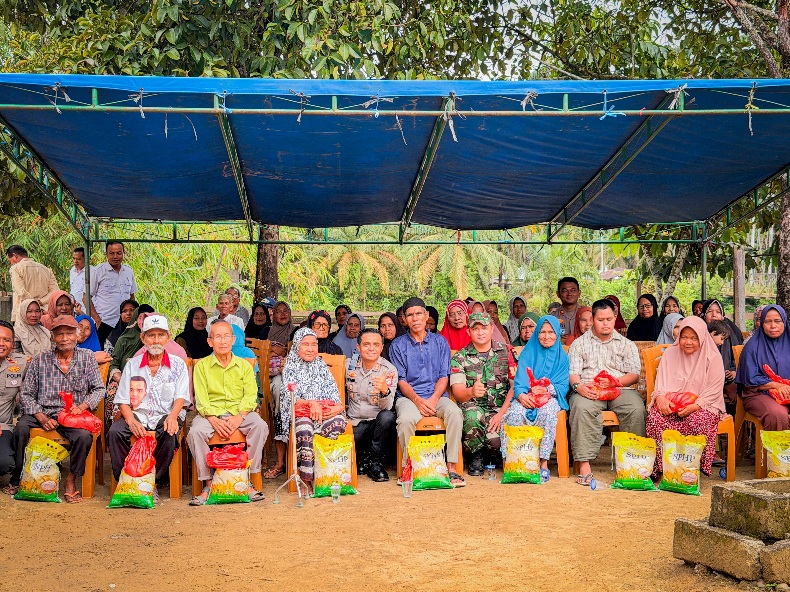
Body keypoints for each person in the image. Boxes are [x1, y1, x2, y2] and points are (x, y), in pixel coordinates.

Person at [5, 315, 106, 502]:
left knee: (84, 437)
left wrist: (83, 406)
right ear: (53, 337)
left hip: (71, 415)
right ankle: (18, 477)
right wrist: (42, 417)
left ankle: (70, 479)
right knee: (21, 429)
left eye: (69, 333)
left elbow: (99, 389)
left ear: (77, 335)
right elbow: (26, 394)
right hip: (43, 411)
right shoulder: (40, 360)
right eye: (60, 334)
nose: (65, 338)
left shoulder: (87, 359)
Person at [109, 315, 189, 503]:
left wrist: (172, 416)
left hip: (167, 413)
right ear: (142, 338)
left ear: (168, 337)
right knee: (115, 432)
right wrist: (130, 420)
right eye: (151, 335)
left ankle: (152, 481)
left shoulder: (178, 364)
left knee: (169, 432)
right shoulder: (132, 365)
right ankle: (126, 480)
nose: (156, 340)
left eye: (160, 335)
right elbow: (122, 400)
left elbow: (181, 397)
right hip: (138, 414)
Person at [187, 320, 267, 505]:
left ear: (233, 340)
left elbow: (251, 396)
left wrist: (240, 417)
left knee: (260, 426)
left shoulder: (245, 366)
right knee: (195, 432)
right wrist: (213, 420)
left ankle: (247, 480)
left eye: (226, 337)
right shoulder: (202, 366)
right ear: (210, 341)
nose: (222, 341)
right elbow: (201, 399)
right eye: (217, 337)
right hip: (211, 415)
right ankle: (208, 484)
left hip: (240, 414)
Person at [568, 299, 645, 486]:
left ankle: (633, 463)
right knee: (580, 406)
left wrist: (615, 381)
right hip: (590, 389)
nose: (605, 323)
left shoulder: (626, 344)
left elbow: (634, 375)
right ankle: (584, 465)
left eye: (609, 319)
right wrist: (579, 387)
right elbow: (573, 374)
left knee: (636, 409)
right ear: (592, 319)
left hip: (620, 388)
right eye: (601, 319)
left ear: (615, 317)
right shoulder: (579, 344)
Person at [390, 297, 464, 487]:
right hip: (409, 397)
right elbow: (401, 381)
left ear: (426, 315)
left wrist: (432, 399)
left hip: (436, 395)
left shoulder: (440, 342)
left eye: (418, 314)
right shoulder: (398, 345)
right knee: (406, 419)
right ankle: (410, 467)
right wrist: (417, 400)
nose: (415, 318)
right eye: (410, 315)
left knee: (455, 413)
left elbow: (443, 377)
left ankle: (452, 467)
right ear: (405, 319)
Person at [646, 316, 726, 478]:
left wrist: (695, 406)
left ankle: (691, 468)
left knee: (698, 420)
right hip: (672, 404)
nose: (688, 342)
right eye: (684, 337)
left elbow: (714, 390)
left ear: (702, 337)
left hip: (701, 405)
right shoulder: (670, 354)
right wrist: (661, 398)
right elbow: (660, 384)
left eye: (694, 338)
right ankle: (661, 468)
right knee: (655, 417)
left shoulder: (713, 357)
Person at [279, 327, 347, 492]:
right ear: (296, 346)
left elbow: (334, 394)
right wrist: (310, 403)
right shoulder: (291, 365)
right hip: (301, 412)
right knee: (304, 428)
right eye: (305, 344)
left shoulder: (321, 365)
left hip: (323, 413)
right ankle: (306, 478)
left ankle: (326, 473)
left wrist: (338, 407)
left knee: (338, 422)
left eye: (314, 344)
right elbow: (290, 396)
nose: (310, 349)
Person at [502, 315, 569, 481]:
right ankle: (515, 461)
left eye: (551, 332)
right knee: (515, 413)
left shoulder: (563, 357)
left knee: (547, 413)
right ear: (537, 334)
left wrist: (547, 389)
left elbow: (563, 385)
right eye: (542, 332)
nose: (546, 336)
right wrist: (522, 395)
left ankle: (543, 462)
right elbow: (520, 382)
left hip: (550, 398)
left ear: (557, 334)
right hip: (527, 396)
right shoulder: (527, 354)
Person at [450, 312, 516, 475]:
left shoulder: (506, 352)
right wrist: (471, 391)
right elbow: (458, 392)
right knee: (472, 416)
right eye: (475, 329)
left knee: (495, 442)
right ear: (468, 332)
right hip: (473, 408)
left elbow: (516, 386)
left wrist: (501, 414)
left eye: (484, 328)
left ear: (492, 328)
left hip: (500, 409)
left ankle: (492, 454)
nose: (480, 332)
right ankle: (475, 456)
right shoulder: (460, 357)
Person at [346, 328, 397, 482]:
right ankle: (363, 457)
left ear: (382, 348)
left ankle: (375, 462)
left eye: (376, 344)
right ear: (358, 347)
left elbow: (387, 407)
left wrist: (384, 390)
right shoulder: (348, 365)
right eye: (366, 344)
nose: (371, 348)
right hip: (355, 424)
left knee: (388, 417)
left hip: (377, 426)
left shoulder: (389, 370)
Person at [736, 304, 790, 431]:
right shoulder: (752, 346)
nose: (773, 326)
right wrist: (777, 386)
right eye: (767, 321)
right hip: (759, 394)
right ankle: (778, 451)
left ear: (784, 322)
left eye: (777, 321)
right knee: (777, 415)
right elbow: (750, 379)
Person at [89, 241, 138, 346]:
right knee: (104, 356)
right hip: (105, 323)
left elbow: (132, 296)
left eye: (119, 253)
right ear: (106, 254)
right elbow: (86, 297)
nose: (115, 256)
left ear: (124, 253)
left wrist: (135, 318)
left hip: (126, 324)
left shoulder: (129, 271)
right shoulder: (98, 271)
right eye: (111, 253)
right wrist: (97, 319)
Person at [702, 299, 743, 412]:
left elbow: (738, 358)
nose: (714, 314)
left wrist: (734, 371)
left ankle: (733, 424)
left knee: (739, 394)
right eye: (710, 311)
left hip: (728, 377)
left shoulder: (729, 332)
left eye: (718, 312)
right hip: (705, 379)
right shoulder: (699, 333)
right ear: (704, 314)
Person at [6, 245, 59, 324]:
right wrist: (40, 302)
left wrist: (33, 304)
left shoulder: (16, 268)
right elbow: (55, 291)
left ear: (15, 256)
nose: (11, 264)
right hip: (43, 313)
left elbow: (21, 292)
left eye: (10, 261)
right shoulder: (46, 269)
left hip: (24, 313)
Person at [0, 321, 26, 482]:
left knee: (4, 464)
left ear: (13, 341)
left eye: (6, 340)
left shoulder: (20, 363)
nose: (1, 344)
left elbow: (48, 361)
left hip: (3, 426)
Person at [69, 247, 88, 312]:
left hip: (86, 310)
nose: (75, 261)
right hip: (74, 309)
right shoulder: (72, 270)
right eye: (74, 259)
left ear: (85, 259)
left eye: (78, 259)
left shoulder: (91, 271)